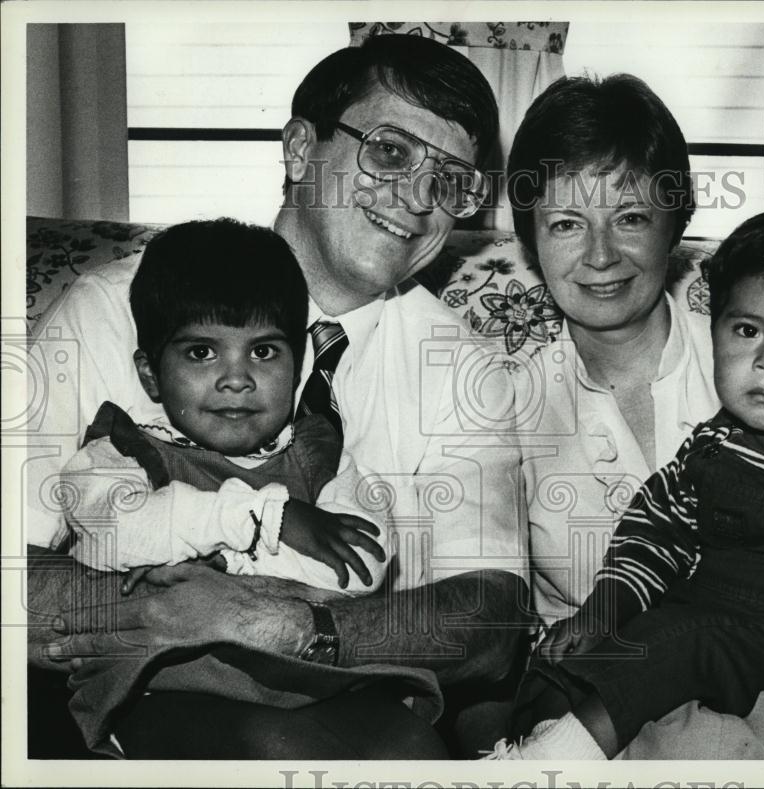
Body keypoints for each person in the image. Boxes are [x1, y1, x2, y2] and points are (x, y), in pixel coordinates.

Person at [27, 34, 528, 759]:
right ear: (299, 149)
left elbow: (493, 618)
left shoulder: (464, 370)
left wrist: (287, 627)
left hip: (352, 711)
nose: (420, 200)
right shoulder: (114, 307)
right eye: (390, 152)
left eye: (452, 181)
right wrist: (165, 611)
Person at [502, 75, 764, 759]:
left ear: (677, 221)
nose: (602, 254)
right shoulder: (506, 410)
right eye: (566, 224)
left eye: (631, 217)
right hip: (617, 710)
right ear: (530, 240)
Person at [64, 218, 387, 594]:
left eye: (263, 352)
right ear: (151, 374)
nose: (236, 379)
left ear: (297, 370)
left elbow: (363, 569)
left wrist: (225, 562)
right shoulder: (120, 452)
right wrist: (266, 519)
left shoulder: (323, 457)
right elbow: (117, 533)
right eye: (201, 352)